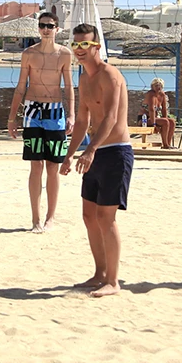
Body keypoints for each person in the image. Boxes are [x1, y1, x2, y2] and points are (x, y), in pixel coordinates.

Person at [61, 23, 129, 297]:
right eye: (75, 44)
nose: (79, 49)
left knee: (105, 216)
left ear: (97, 47)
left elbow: (111, 118)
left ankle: (113, 281)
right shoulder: (83, 79)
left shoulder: (109, 75)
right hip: (95, 152)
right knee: (89, 215)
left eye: (84, 44)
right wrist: (69, 154)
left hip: (115, 152)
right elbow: (82, 121)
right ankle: (99, 273)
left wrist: (90, 151)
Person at [7, 12, 74, 232]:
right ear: (38, 28)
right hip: (32, 110)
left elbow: (68, 88)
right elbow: (20, 87)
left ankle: (50, 218)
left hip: (55, 112)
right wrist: (12, 117)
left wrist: (71, 114)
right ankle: (35, 219)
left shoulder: (65, 54)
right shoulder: (28, 54)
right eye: (43, 26)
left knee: (53, 166)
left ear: (57, 29)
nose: (46, 29)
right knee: (35, 165)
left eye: (50, 26)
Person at [143, 78, 175, 149]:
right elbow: (151, 109)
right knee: (165, 121)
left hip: (155, 118)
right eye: (156, 85)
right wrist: (154, 124)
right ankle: (165, 145)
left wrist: (165, 118)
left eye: (160, 85)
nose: (158, 87)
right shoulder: (150, 94)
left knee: (171, 121)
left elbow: (164, 109)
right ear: (152, 86)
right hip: (145, 119)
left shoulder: (162, 94)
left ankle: (168, 144)